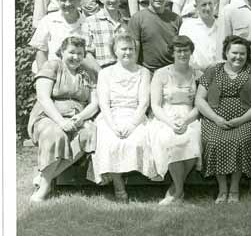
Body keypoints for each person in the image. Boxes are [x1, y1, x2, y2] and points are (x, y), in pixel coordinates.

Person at [195, 35, 251, 203]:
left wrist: (241, 120)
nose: (238, 57)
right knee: (214, 141)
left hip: (246, 120)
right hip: (215, 120)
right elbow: (199, 99)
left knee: (240, 140)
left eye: (242, 53)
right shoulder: (213, 71)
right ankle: (222, 188)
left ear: (247, 55)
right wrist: (216, 118)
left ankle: (234, 188)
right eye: (234, 52)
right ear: (226, 53)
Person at [27, 36, 98, 202]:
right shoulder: (52, 66)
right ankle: (43, 189)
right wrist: (61, 121)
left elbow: (95, 103)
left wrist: (81, 117)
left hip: (76, 118)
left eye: (80, 53)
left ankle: (44, 177)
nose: (75, 57)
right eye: (71, 52)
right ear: (62, 52)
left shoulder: (87, 73)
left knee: (90, 134)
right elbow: (43, 98)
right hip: (49, 116)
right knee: (55, 134)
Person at [90, 34, 157, 202]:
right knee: (109, 141)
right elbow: (104, 104)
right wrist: (113, 126)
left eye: (131, 49)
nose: (127, 52)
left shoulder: (143, 72)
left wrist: (132, 124)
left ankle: (137, 180)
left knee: (138, 140)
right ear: (115, 51)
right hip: (110, 116)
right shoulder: (105, 73)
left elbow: (143, 103)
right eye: (123, 49)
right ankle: (119, 187)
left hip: (135, 114)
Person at [147, 35, 202, 205]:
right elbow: (155, 105)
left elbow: (200, 105)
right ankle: (179, 190)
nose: (182, 54)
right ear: (173, 53)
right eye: (179, 51)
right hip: (164, 116)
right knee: (170, 139)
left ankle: (176, 189)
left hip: (190, 115)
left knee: (193, 138)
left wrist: (186, 120)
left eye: (186, 50)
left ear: (191, 52)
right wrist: (171, 122)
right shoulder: (161, 74)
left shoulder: (198, 74)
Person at [128, 0, 182, 73]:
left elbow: (180, 51)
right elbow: (134, 53)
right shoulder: (137, 19)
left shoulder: (176, 19)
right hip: (147, 73)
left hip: (171, 73)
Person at [30, 0, 85, 73]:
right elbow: (41, 51)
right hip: (53, 74)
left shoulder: (87, 22)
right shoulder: (48, 21)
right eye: (63, 0)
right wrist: (44, 77)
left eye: (72, 0)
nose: (67, 4)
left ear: (79, 0)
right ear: (57, 0)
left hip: (79, 75)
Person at [81, 0, 130, 73]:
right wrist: (102, 75)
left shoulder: (127, 22)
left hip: (125, 72)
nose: (112, 0)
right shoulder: (90, 22)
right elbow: (86, 54)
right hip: (101, 71)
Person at [179, 0, 220, 72]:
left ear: (215, 4)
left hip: (218, 75)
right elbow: (183, 54)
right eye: (204, 4)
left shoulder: (221, 26)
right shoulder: (188, 26)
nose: (208, 8)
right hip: (194, 75)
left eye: (210, 3)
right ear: (196, 6)